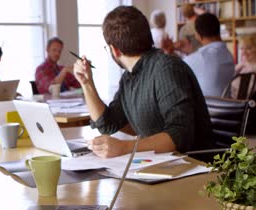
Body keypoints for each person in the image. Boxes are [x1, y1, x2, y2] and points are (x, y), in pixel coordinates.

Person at [73, 6, 214, 159]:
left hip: (194, 169)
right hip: (161, 165)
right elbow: (106, 124)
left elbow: (179, 136)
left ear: (115, 50)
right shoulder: (129, 77)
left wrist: (125, 147)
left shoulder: (167, 69)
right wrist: (87, 83)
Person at [183, 13, 235, 97]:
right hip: (227, 106)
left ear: (198, 36)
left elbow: (176, 69)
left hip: (210, 107)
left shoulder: (200, 58)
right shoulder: (228, 54)